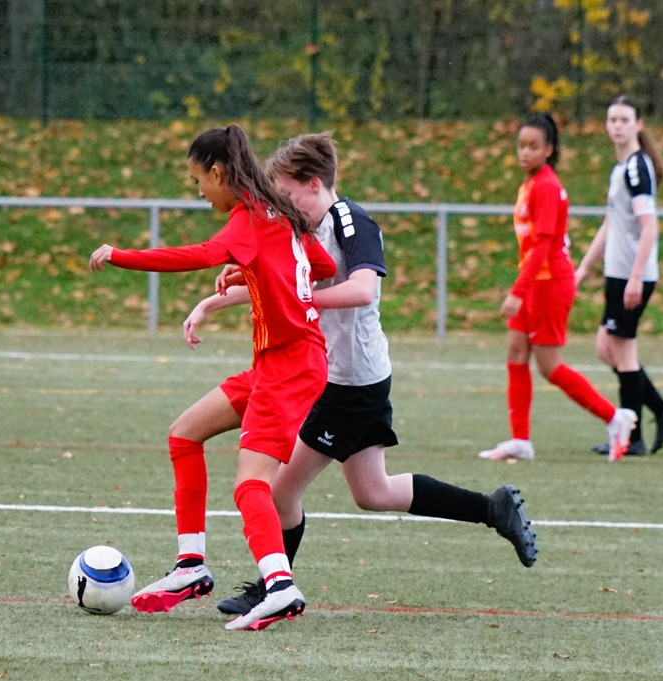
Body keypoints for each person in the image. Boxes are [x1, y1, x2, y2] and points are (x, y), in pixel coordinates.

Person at [179, 133, 539, 618]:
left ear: (312, 184)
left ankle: (273, 589)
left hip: (346, 382)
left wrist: (299, 302)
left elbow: (362, 289)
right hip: (352, 378)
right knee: (374, 492)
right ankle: (492, 508)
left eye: (286, 195)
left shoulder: (352, 221)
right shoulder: (305, 228)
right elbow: (286, 283)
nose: (281, 205)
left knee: (279, 490)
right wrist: (213, 301)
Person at [88, 124, 335, 631]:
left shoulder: (248, 218)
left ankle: (281, 587)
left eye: (199, 180)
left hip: (288, 366)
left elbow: (196, 256)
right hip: (283, 362)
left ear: (219, 172)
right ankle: (191, 566)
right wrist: (249, 271)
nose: (199, 192)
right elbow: (322, 263)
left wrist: (120, 256)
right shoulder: (279, 214)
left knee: (251, 486)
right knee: (185, 434)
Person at [479, 113, 637, 463]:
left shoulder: (547, 186)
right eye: (521, 145)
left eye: (534, 146)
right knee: (516, 354)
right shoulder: (532, 184)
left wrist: (517, 291)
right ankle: (520, 440)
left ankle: (616, 417)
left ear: (549, 150)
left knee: (551, 367)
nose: (525, 152)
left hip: (549, 285)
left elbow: (544, 247)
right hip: (535, 282)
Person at [575, 95, 663, 456]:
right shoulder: (620, 168)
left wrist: (636, 277)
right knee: (608, 348)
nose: (617, 125)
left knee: (621, 353)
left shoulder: (638, 168)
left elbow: (650, 227)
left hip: (631, 276)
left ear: (638, 125)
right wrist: (585, 267)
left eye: (624, 119)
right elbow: (611, 223)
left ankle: (632, 437)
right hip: (617, 274)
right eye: (612, 119)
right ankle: (662, 411)